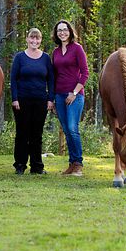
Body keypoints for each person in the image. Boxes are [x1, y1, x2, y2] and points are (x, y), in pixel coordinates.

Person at [10, 28, 55, 175]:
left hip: (41, 101)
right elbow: (13, 79)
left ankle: (36, 166)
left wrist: (50, 99)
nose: (34, 41)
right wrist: (15, 98)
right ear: (27, 39)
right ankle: (20, 165)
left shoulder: (46, 58)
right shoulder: (19, 57)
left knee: (37, 134)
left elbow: (51, 80)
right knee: (22, 133)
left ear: (41, 40)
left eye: (37, 38)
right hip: (22, 101)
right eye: (32, 38)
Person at [51, 20, 88, 177]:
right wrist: (52, 98)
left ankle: (78, 164)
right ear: (56, 33)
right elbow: (54, 75)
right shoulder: (56, 52)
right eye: (59, 30)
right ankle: (71, 164)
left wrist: (74, 93)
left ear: (70, 32)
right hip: (59, 95)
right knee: (66, 130)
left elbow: (85, 73)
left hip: (75, 95)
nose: (62, 33)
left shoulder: (77, 49)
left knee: (73, 129)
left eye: (65, 30)